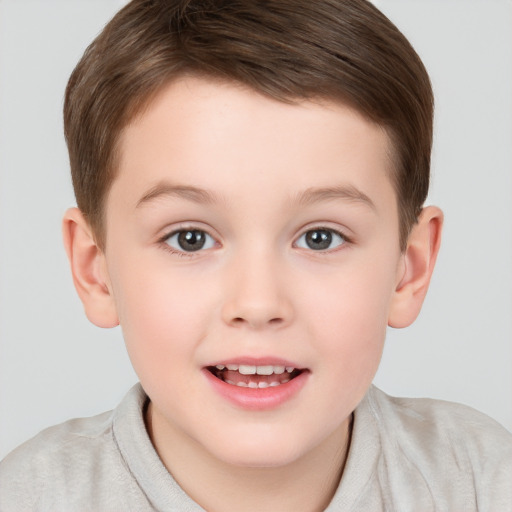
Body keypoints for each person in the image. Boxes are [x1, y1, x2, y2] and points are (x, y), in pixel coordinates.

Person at [0, 0, 511, 510]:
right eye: (189, 238)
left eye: (320, 237)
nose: (259, 302)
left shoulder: (480, 483)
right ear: (96, 271)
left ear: (410, 268)